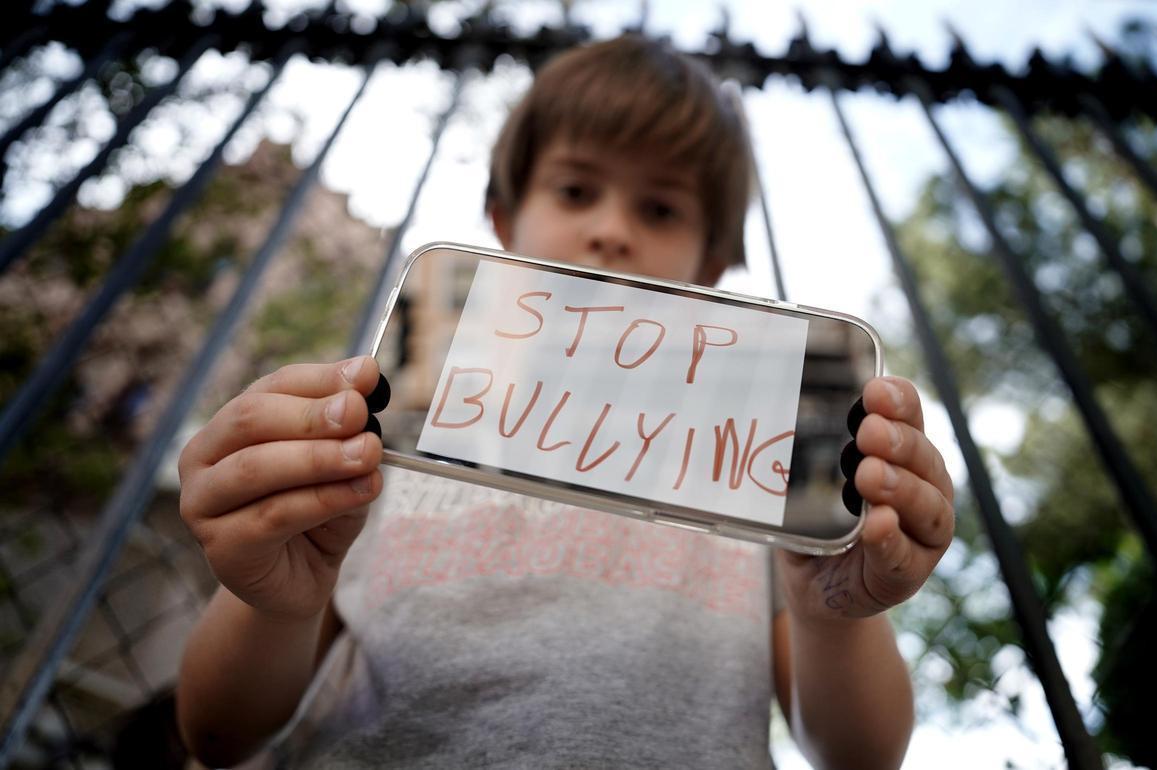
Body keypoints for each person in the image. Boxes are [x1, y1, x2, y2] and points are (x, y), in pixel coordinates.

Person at [175, 34, 954, 770]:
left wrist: (832, 615)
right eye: (576, 190)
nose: (611, 230)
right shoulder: (387, 440)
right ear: (505, 222)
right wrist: (275, 604)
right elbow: (219, 733)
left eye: (660, 209)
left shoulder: (757, 476)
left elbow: (858, 755)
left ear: (709, 266)